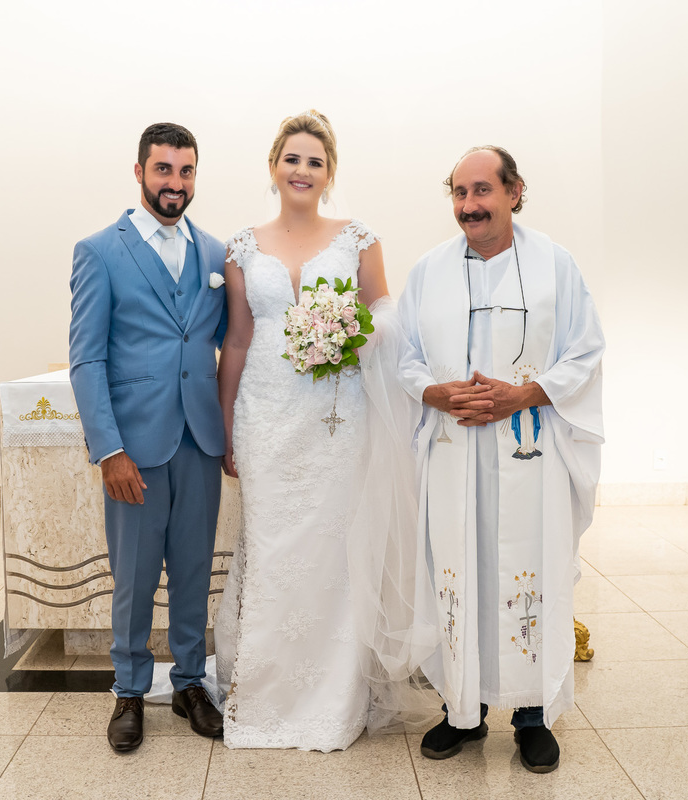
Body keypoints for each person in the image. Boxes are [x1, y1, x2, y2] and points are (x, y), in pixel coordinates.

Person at [396, 146, 605, 772]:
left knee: (524, 569)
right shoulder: (428, 272)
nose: (469, 206)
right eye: (459, 193)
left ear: (515, 192)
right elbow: (402, 357)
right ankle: (462, 712)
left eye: (482, 191)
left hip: (527, 450)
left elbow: (585, 350)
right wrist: (434, 391)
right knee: (459, 570)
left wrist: (524, 394)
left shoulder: (555, 266)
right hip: (454, 450)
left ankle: (532, 715)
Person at [213, 110, 390, 752]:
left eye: (315, 161)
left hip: (335, 415)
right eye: (293, 158)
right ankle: (262, 692)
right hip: (264, 412)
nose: (302, 170)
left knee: (331, 549)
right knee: (270, 546)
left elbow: (381, 323)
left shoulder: (359, 239)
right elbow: (237, 338)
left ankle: (334, 695)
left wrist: (347, 335)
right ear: (273, 166)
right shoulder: (243, 246)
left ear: (329, 173)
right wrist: (225, 422)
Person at [69, 122, 228, 753]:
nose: (175, 184)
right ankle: (130, 690)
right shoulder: (99, 250)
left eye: (186, 171)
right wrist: (109, 450)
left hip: (199, 440)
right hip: (133, 447)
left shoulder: (216, 254)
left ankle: (190, 682)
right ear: (140, 172)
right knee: (134, 575)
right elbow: (87, 359)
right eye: (164, 170)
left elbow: (228, 343)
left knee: (193, 570)